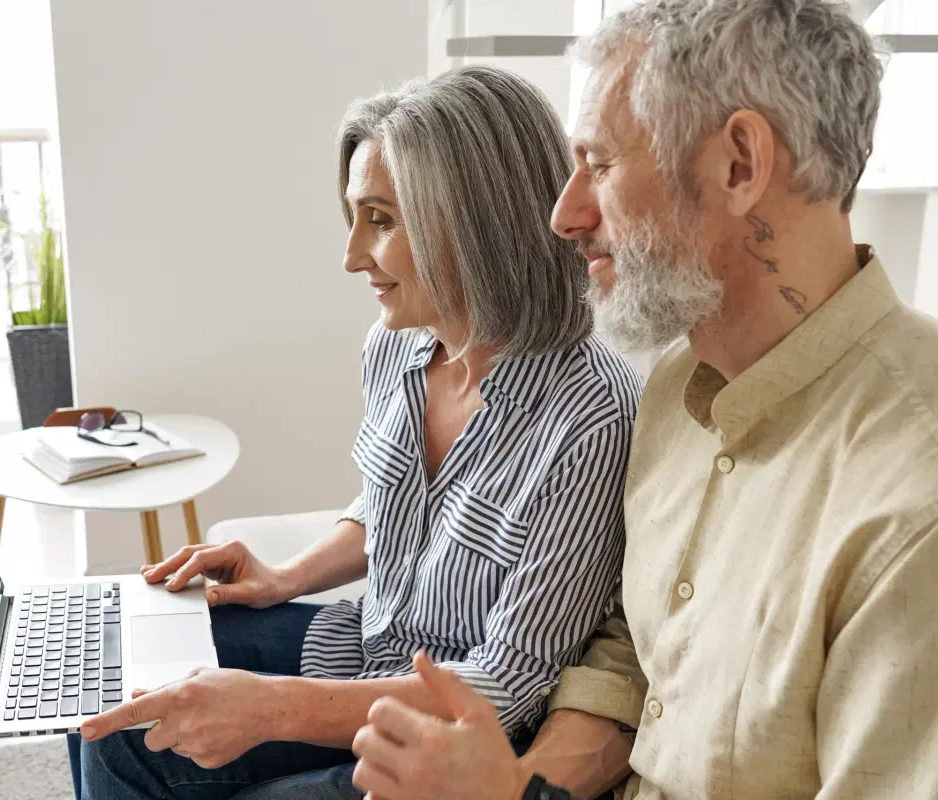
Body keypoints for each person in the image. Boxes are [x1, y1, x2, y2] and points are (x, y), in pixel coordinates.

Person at [350, 1, 938, 798]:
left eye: (597, 164)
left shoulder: (910, 512)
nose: (563, 216)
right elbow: (638, 648)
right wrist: (522, 785)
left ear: (739, 165)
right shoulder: (672, 388)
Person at [68, 64, 643, 800]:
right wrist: (288, 577)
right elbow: (390, 502)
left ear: (472, 222)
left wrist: (269, 709)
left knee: (168, 751)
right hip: (364, 648)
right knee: (111, 693)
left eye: (379, 220)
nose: (350, 257)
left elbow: (507, 685)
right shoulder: (397, 345)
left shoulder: (591, 417)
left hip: (456, 737)